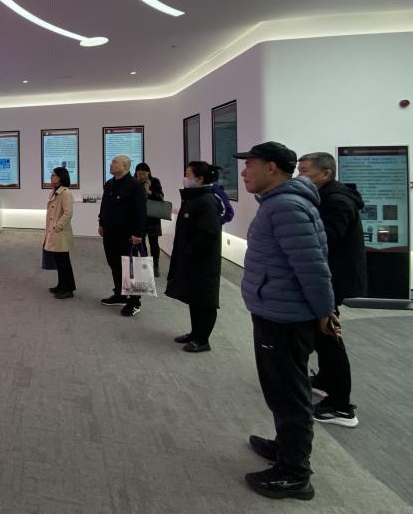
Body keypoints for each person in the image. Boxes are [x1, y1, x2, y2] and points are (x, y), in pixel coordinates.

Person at [234, 141, 338, 501]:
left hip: (285, 317)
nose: (244, 172)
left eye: (251, 165)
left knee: (289, 392)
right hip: (277, 309)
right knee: (280, 388)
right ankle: (285, 445)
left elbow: (312, 268)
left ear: (272, 168)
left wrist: (325, 311)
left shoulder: (286, 207)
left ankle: (295, 473)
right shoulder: (280, 203)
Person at [298, 152, 367, 428]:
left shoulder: (337, 201)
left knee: (328, 335)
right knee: (321, 334)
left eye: (305, 171)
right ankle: (326, 380)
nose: (300, 176)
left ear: (325, 173)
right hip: (328, 276)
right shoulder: (326, 196)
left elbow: (325, 238)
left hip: (333, 278)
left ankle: (341, 405)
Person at [165, 161, 223, 353]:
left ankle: (203, 339)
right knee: (194, 297)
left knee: (204, 300)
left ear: (200, 179)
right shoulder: (195, 199)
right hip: (191, 258)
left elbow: (207, 234)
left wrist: (189, 253)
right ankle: (195, 333)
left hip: (202, 262)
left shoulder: (207, 201)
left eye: (188, 174)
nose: (185, 178)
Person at [98, 155, 146, 317]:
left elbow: (140, 211)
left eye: (115, 162)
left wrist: (138, 233)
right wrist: (101, 223)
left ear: (125, 166)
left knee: (130, 268)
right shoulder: (109, 184)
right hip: (110, 233)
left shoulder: (135, 186)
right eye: (111, 162)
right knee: (114, 264)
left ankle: (134, 302)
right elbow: (104, 206)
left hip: (127, 235)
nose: (111, 164)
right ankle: (120, 294)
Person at [44, 167, 77, 299]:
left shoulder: (65, 193)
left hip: (60, 233)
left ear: (60, 177)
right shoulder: (54, 192)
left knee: (63, 261)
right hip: (54, 232)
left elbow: (68, 213)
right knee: (59, 261)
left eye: (53, 175)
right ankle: (62, 285)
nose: (51, 177)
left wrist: (57, 226)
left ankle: (67, 289)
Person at [134, 162, 165, 277]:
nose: (141, 176)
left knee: (154, 242)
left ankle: (155, 265)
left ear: (149, 172)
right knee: (140, 242)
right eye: (139, 173)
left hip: (152, 217)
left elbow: (161, 197)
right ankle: (145, 264)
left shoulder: (155, 181)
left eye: (143, 173)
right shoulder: (134, 182)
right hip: (138, 217)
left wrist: (149, 192)